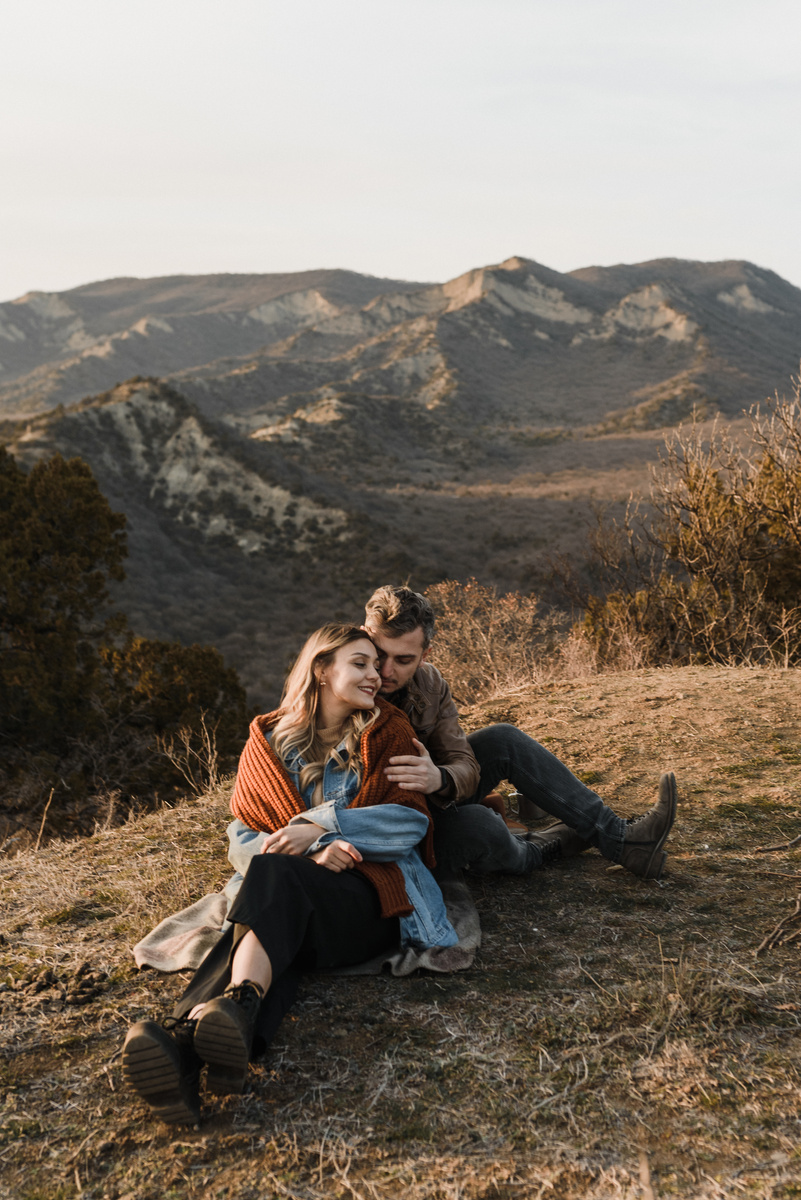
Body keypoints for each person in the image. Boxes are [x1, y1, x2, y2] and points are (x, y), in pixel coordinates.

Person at [123, 624, 456, 1126]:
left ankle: (185, 1030)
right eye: (360, 663)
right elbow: (243, 834)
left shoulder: (390, 732)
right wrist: (315, 851)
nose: (377, 675)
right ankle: (195, 1050)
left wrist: (317, 824)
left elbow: (409, 823)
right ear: (322, 670)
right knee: (275, 898)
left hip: (373, 902)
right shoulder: (269, 740)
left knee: (269, 891)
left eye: (377, 664)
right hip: (294, 898)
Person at [362, 585, 677, 881]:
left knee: (502, 739)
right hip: (384, 829)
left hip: (431, 800)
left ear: (425, 655)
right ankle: (540, 848)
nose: (386, 671)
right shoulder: (339, 680)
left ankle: (621, 840)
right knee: (480, 824)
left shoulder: (430, 683)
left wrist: (440, 779)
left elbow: (464, 765)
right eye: (380, 655)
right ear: (365, 636)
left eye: (404, 660)